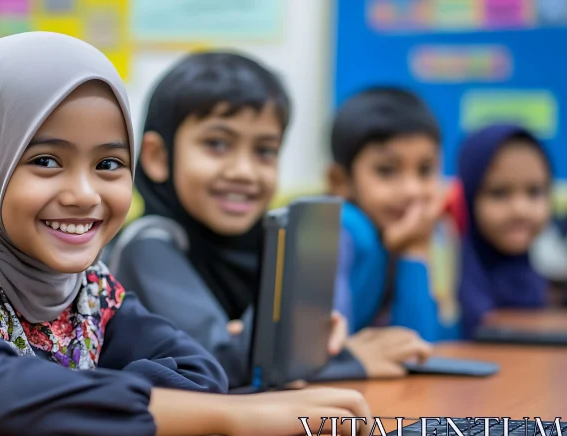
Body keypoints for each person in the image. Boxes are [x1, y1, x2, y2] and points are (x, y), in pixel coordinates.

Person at [0, 33, 372, 436]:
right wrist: (228, 415)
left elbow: (199, 371)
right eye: (45, 161)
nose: (84, 193)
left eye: (109, 164)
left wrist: (85, 398)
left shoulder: (85, 289)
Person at [108, 52, 431, 390]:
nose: (244, 172)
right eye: (217, 144)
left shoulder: (262, 240)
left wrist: (297, 343)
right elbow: (213, 364)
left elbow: (265, 357)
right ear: (159, 157)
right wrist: (343, 359)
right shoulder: (148, 243)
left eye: (264, 150)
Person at [327, 86, 445, 342]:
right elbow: (327, 346)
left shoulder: (400, 234)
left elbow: (419, 348)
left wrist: (413, 248)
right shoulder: (344, 226)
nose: (412, 190)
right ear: (340, 181)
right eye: (387, 170)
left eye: (425, 170)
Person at [456, 124, 553, 338]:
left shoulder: (534, 282)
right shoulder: (446, 281)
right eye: (499, 193)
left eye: (534, 192)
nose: (520, 210)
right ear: (468, 197)